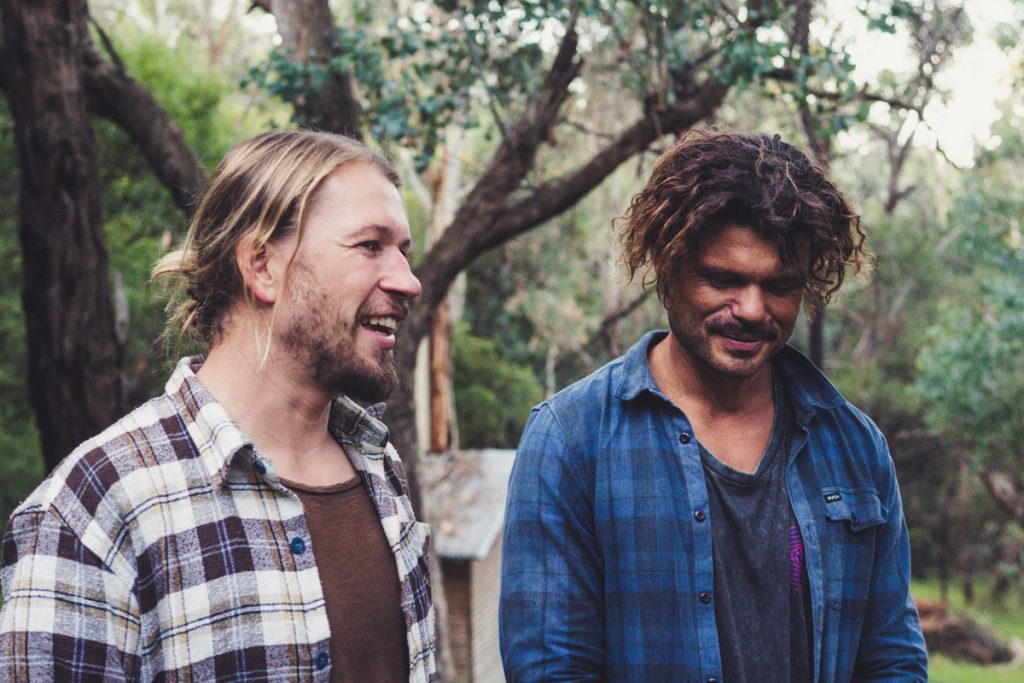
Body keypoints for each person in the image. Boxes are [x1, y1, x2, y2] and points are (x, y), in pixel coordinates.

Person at [0, 130, 436, 681]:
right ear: (261, 265)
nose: (408, 282)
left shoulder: (380, 470)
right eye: (370, 246)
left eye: (404, 252)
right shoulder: (96, 509)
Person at [500, 130, 927, 681]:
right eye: (723, 279)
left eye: (780, 286)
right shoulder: (570, 440)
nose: (751, 309)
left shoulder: (854, 446)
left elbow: (892, 656)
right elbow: (550, 670)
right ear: (667, 263)